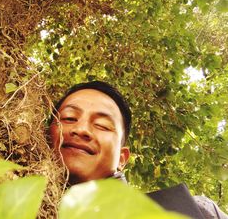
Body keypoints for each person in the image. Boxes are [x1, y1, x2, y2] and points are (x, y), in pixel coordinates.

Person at [49, 81, 227, 219]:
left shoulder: (197, 211)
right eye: (69, 118)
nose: (82, 130)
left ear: (121, 158)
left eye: (102, 126)